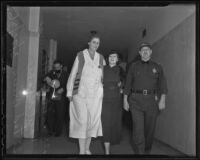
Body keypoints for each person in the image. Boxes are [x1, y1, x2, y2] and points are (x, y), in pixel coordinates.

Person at [123, 43, 168, 154]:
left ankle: (147, 151)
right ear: (139, 53)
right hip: (135, 100)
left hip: (152, 101)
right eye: (143, 50)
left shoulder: (158, 66)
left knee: (149, 130)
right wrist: (125, 100)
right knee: (138, 130)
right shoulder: (133, 66)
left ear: (151, 52)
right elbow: (128, 84)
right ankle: (140, 153)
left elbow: (163, 84)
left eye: (147, 49)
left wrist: (163, 99)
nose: (145, 51)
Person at [66, 35, 106, 154]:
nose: (96, 45)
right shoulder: (80, 55)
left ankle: (87, 148)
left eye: (98, 43)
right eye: (94, 42)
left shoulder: (101, 58)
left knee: (92, 122)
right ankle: (81, 151)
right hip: (80, 93)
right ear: (89, 43)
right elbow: (73, 73)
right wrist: (69, 91)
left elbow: (104, 76)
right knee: (82, 121)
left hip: (95, 95)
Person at [101, 51, 125, 155]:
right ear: (108, 58)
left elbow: (126, 81)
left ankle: (111, 145)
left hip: (116, 100)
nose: (112, 58)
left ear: (118, 59)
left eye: (115, 56)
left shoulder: (120, 70)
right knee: (105, 123)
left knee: (114, 124)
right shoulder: (102, 68)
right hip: (104, 99)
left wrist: (122, 86)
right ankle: (107, 151)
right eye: (110, 56)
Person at [44, 60, 68, 137]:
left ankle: (58, 132)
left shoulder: (66, 74)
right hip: (51, 96)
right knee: (50, 114)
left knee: (60, 115)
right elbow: (43, 78)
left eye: (58, 67)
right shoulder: (51, 72)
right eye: (55, 67)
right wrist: (46, 79)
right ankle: (50, 131)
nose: (56, 68)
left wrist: (63, 89)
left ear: (61, 66)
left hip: (61, 97)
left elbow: (69, 84)